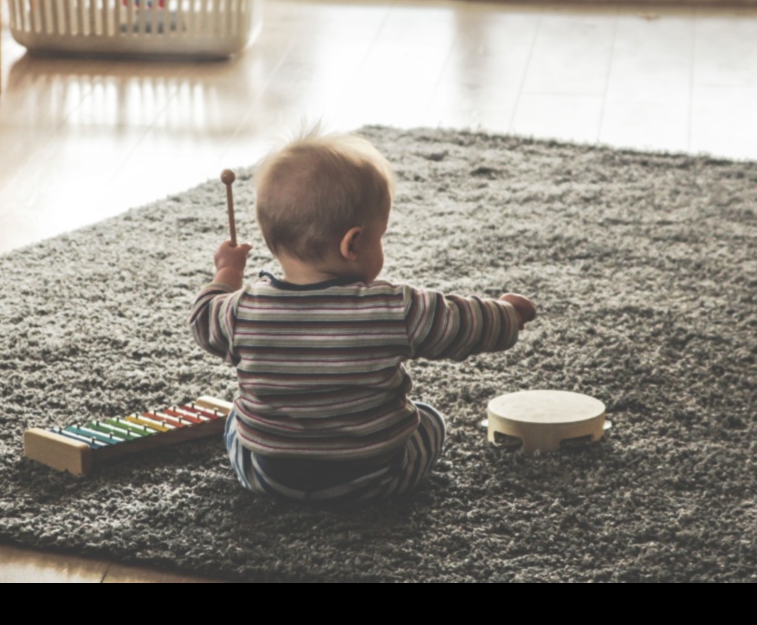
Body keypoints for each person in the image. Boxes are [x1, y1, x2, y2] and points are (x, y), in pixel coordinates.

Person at [191, 128, 536, 504]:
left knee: (235, 421)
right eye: (380, 236)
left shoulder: (241, 311)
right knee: (430, 419)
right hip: (375, 478)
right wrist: (508, 314)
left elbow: (203, 318)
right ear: (352, 243)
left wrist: (227, 272)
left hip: (270, 477)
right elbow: (463, 322)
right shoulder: (394, 308)